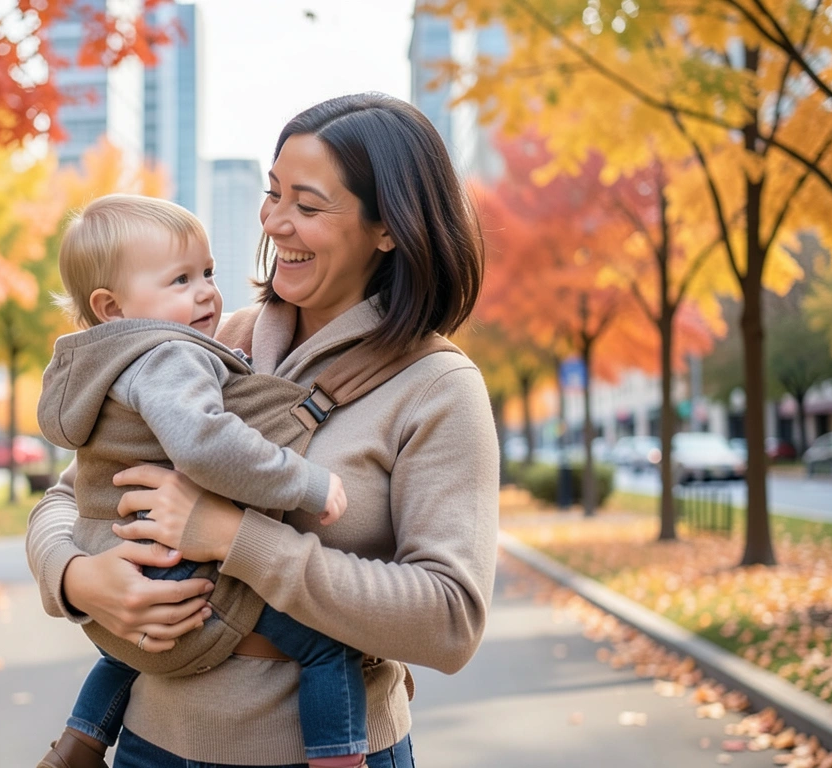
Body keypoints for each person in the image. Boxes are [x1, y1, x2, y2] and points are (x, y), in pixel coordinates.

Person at [27, 92, 500, 767]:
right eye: (273, 193)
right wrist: (78, 578)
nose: (275, 222)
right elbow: (68, 496)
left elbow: (450, 620)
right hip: (149, 745)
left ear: (387, 229)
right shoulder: (206, 342)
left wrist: (233, 537)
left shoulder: (437, 388)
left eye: (307, 206)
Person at [35, 193, 369, 768]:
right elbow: (207, 443)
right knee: (328, 646)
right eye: (181, 279)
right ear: (112, 307)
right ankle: (338, 758)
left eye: (208, 272)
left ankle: (79, 744)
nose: (207, 293)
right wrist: (307, 482)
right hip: (173, 564)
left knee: (123, 654)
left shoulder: (103, 364)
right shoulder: (171, 356)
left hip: (116, 553)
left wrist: (79, 569)